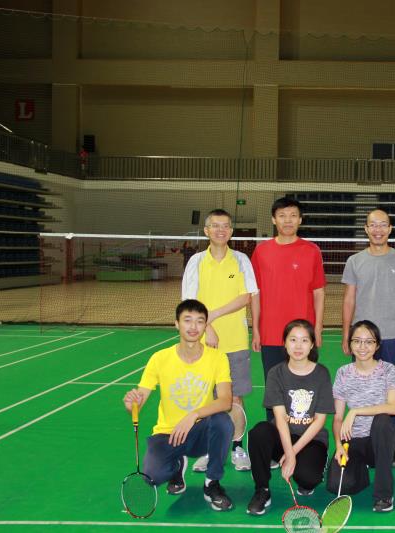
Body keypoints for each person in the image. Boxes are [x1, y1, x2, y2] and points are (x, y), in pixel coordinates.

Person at [121, 299, 234, 511]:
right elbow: (140, 399)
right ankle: (177, 466)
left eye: (199, 321)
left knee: (222, 421)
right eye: (187, 320)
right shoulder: (159, 358)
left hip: (199, 431)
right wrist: (132, 404)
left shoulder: (218, 358)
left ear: (205, 325)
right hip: (168, 434)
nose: (193, 327)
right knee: (152, 476)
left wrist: (194, 415)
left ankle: (212, 483)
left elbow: (226, 400)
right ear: (176, 324)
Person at [182, 208, 258, 472]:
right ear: (206, 231)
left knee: (234, 399)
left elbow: (246, 296)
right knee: (206, 400)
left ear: (231, 231)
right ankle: (209, 449)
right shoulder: (196, 262)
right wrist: (207, 327)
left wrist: (211, 316)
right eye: (215, 225)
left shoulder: (241, 260)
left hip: (235, 342)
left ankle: (237, 447)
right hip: (202, 344)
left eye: (225, 226)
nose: (221, 230)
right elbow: (189, 303)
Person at [341, 208, 395, 466]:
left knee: (391, 393)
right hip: (362, 339)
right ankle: (360, 443)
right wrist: (346, 334)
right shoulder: (354, 261)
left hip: (394, 336)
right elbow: (349, 300)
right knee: (361, 391)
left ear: (390, 228)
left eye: (383, 224)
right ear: (366, 229)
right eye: (373, 225)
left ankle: (389, 446)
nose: (378, 230)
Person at [246, 320, 334, 515]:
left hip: (311, 439)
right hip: (283, 434)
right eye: (293, 340)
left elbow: (319, 421)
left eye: (304, 340)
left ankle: (317, 463)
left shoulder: (322, 374)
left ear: (312, 344)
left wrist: (292, 454)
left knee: (308, 480)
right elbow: (280, 418)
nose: (298, 346)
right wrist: (289, 454)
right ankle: (262, 489)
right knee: (259, 432)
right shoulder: (276, 373)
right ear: (284, 343)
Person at [251, 197, 326, 420]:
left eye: (293, 215)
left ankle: (302, 436)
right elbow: (255, 294)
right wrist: (256, 329)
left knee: (304, 390)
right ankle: (275, 436)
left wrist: (317, 329)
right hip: (271, 334)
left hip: (303, 335)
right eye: (282, 216)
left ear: (300, 220)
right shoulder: (261, 251)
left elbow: (319, 292)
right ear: (274, 220)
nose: (288, 220)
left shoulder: (312, 250)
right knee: (274, 390)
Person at [328, 320, 395, 512]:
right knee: (337, 485)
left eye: (369, 342)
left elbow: (393, 407)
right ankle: (361, 471)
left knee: (382, 421)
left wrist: (355, 411)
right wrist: (338, 445)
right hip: (354, 439)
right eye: (357, 341)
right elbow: (338, 418)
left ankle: (384, 495)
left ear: (377, 345)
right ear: (350, 344)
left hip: (380, 441)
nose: (362, 347)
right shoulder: (343, 373)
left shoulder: (388, 369)